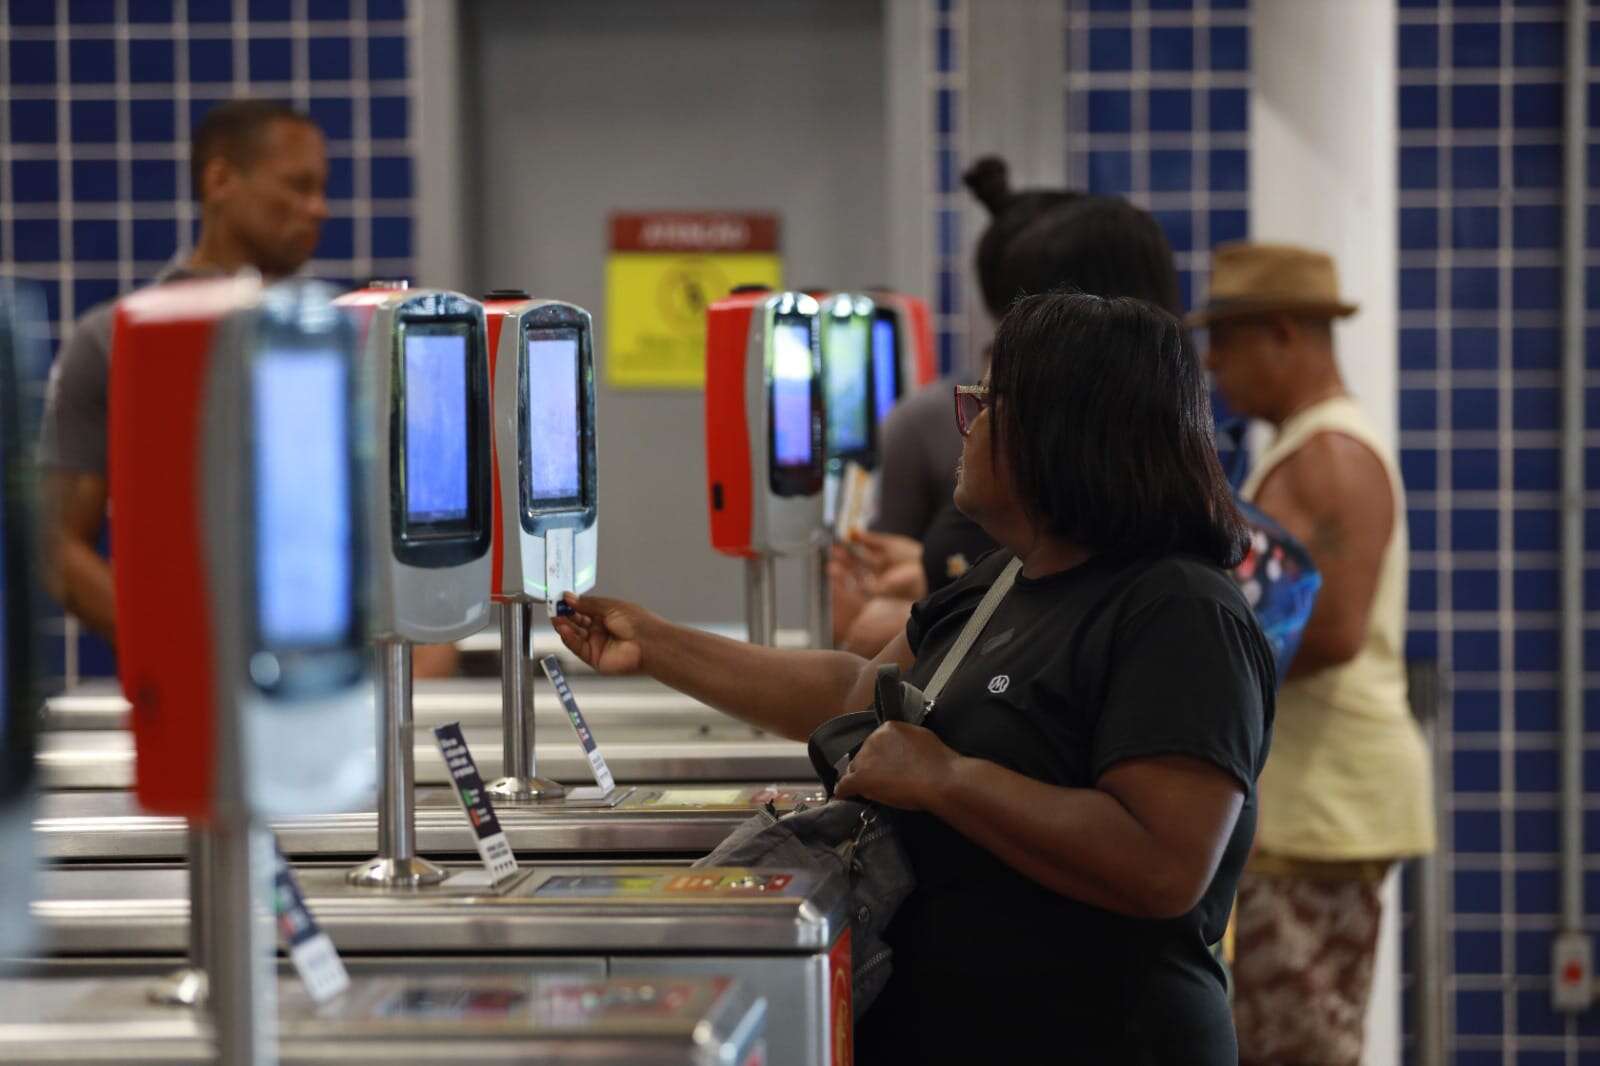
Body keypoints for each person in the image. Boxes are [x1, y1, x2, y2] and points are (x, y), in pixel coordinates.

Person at [556, 292, 1276, 1063]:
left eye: (987, 405)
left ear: (1062, 432)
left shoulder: (1179, 610)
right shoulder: (1006, 580)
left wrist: (948, 780)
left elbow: (1164, 864)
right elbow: (850, 693)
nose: (965, 424)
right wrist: (658, 645)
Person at [38, 99, 458, 676]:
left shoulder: (346, 336)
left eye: (322, 188)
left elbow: (402, 525)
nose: (319, 208)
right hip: (193, 707)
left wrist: (423, 656)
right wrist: (185, 656)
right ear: (220, 180)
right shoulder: (113, 341)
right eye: (297, 185)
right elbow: (57, 547)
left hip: (347, 694)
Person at [1195, 242, 1435, 1066]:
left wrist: (1197, 667)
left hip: (1323, 801)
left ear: (1287, 334)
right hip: (1316, 797)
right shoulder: (1306, 446)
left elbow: (1331, 630)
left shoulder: (1329, 456)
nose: (1214, 364)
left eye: (1227, 340)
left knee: (1296, 1045)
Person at [834, 155, 1183, 655]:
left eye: (995, 405)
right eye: (983, 402)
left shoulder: (1144, 536)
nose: (978, 426)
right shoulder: (1018, 547)